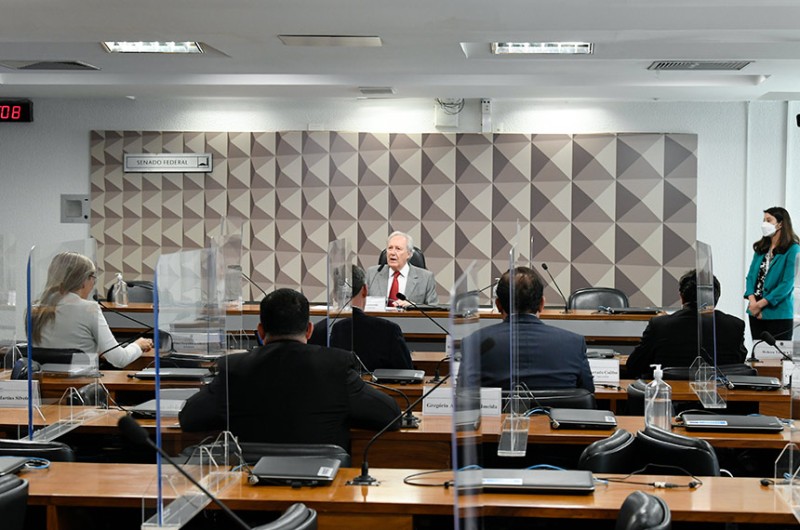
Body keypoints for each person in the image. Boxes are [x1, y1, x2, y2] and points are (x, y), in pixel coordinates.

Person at [180, 288, 401, 450]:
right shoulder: (336, 364)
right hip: (323, 486)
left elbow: (189, 418)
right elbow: (390, 415)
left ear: (260, 330)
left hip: (253, 486)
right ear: (309, 330)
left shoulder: (235, 368)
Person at [462, 266, 594, 392]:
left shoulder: (474, 342)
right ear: (542, 304)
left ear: (498, 305)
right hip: (554, 415)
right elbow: (588, 395)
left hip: (496, 416)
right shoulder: (573, 343)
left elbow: (462, 396)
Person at [29, 252, 153, 368]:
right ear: (83, 281)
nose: (93, 283)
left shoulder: (34, 310)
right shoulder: (89, 309)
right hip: (81, 387)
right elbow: (119, 360)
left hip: (42, 386)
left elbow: (54, 351)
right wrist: (138, 345)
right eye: (93, 277)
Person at [626, 270, 747, 378]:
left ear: (682, 297)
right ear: (716, 298)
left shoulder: (659, 325)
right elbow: (738, 364)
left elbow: (634, 365)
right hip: (719, 398)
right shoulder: (735, 326)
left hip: (668, 397)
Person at [309, 265, 413, 371]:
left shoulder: (318, 331)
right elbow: (407, 375)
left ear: (335, 294)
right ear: (364, 290)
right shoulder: (389, 331)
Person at [744, 206, 800, 340]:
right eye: (764, 220)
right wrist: (753, 303)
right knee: (758, 357)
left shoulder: (793, 249)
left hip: (778, 314)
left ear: (780, 224)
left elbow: (787, 284)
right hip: (755, 313)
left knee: (776, 358)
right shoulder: (761, 248)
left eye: (769, 220)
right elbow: (751, 277)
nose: (764, 224)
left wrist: (760, 304)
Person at [365, 231, 438, 308]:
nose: (392, 253)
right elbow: (359, 304)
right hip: (377, 319)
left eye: (398, 249)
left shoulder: (426, 278)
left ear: (409, 254)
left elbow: (434, 308)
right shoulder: (372, 273)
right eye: (390, 248)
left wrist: (414, 306)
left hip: (409, 319)